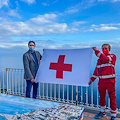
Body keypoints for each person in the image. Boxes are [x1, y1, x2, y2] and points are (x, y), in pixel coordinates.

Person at [88, 44, 117, 120]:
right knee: (102, 98)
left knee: (112, 98)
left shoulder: (112, 56)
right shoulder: (99, 60)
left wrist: (96, 51)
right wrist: (92, 79)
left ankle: (113, 115)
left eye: (106, 48)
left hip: (110, 82)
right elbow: (96, 71)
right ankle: (102, 112)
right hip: (101, 82)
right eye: (103, 48)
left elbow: (106, 58)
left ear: (109, 49)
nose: (104, 49)